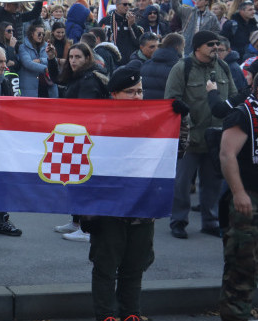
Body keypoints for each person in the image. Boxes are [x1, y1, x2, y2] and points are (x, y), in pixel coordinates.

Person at [81, 66, 155, 321]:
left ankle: (131, 314)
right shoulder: (98, 122)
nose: (137, 97)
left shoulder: (153, 122)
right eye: (130, 92)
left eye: (140, 92)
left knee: (134, 268)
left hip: (141, 208)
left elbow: (174, 155)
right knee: (105, 268)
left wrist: (181, 120)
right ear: (114, 94)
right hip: (108, 210)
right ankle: (106, 316)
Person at [164, 29, 231, 239]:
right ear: (198, 46)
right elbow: (172, 101)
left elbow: (234, 96)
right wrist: (187, 126)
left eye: (217, 44)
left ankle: (210, 221)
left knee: (212, 183)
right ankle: (179, 221)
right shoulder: (182, 68)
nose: (216, 47)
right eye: (211, 44)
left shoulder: (223, 67)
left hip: (216, 137)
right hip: (190, 139)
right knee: (182, 184)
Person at [54, 43, 108, 242]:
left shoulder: (89, 79)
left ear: (87, 58)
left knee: (83, 181)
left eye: (78, 57)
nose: (73, 61)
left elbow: (86, 111)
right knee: (74, 179)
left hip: (83, 136)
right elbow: (56, 80)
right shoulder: (79, 76)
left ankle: (86, 228)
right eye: (71, 57)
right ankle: (77, 221)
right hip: (76, 134)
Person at [217, 66, 258, 321]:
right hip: (249, 198)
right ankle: (236, 315)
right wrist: (239, 192)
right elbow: (227, 153)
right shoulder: (243, 113)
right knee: (243, 262)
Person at [17, 22, 58, 98]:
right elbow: (28, 63)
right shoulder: (23, 47)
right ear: (32, 34)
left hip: (47, 87)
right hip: (30, 87)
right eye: (39, 34)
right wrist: (45, 68)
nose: (41, 36)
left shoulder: (47, 45)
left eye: (43, 34)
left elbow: (53, 60)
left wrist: (40, 60)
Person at [140, 33, 184, 100]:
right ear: (177, 47)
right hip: (167, 107)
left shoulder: (146, 64)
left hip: (147, 106)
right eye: (183, 47)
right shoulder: (177, 67)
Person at [103, 0, 142, 66]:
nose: (127, 7)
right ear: (117, 5)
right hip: (114, 60)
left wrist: (132, 25)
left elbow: (138, 41)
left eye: (129, 4)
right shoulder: (107, 20)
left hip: (129, 60)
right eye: (125, 4)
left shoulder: (132, 19)